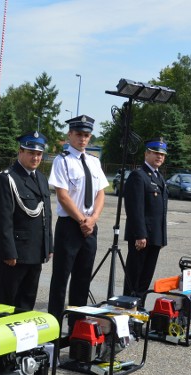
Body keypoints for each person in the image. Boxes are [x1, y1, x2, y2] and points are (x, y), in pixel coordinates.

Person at [46, 115, 109, 323]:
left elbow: (101, 193)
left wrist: (93, 219)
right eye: (79, 134)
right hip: (70, 226)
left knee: (82, 280)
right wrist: (83, 220)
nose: (83, 139)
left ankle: (77, 328)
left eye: (86, 135)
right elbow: (62, 195)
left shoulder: (94, 161)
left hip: (90, 227)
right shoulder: (62, 161)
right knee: (60, 280)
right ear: (70, 134)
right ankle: (54, 328)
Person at [0, 130, 53, 310]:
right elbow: (2, 220)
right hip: (15, 254)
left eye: (39, 154)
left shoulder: (41, 178)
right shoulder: (7, 178)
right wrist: (9, 251)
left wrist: (49, 246)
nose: (35, 158)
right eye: (31, 153)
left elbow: (46, 215)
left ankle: (22, 337)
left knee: (27, 301)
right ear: (20, 152)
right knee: (7, 303)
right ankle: (2, 337)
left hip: (35, 252)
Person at [123, 138, 169, 298]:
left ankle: (138, 313)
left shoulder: (159, 177)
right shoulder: (139, 176)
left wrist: (161, 238)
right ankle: (128, 311)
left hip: (154, 237)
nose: (160, 157)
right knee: (134, 278)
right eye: (156, 153)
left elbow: (160, 212)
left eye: (162, 154)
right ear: (146, 153)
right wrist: (140, 234)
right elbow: (135, 209)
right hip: (142, 238)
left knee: (145, 280)